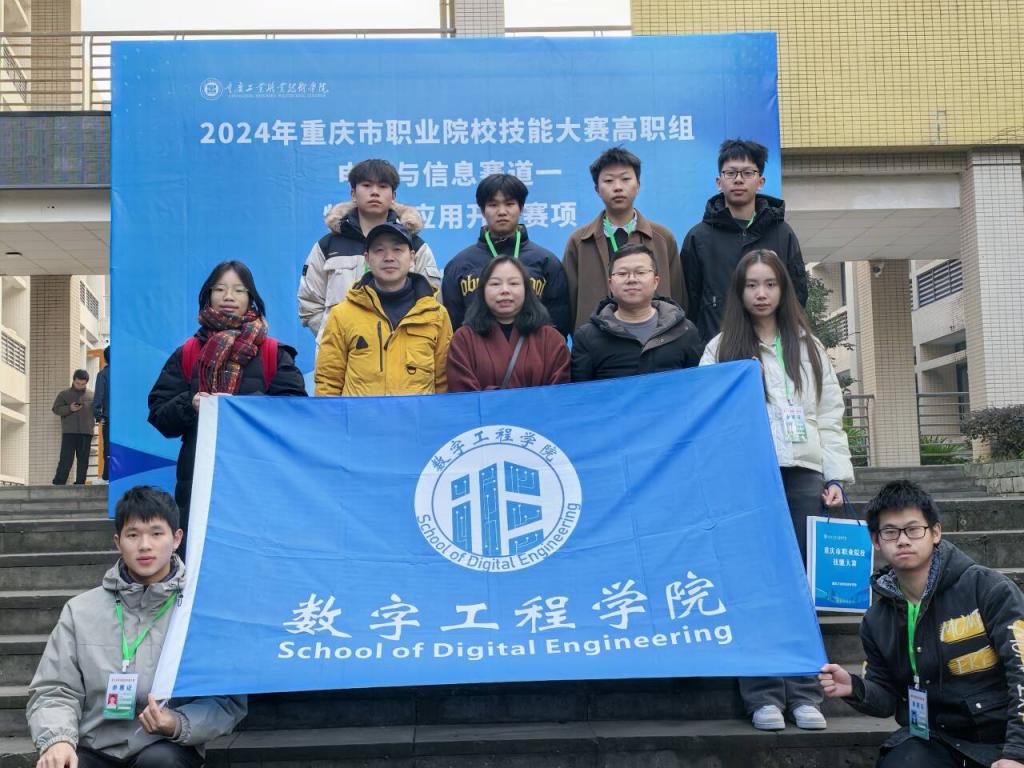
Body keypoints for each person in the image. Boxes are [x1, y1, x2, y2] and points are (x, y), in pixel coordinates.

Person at [700, 248, 852, 732]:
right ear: (739, 292)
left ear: (784, 290)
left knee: (801, 586)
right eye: (752, 285)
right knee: (753, 583)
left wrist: (834, 476)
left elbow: (829, 417)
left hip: (803, 474)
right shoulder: (721, 348)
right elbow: (707, 419)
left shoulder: (809, 346)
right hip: (746, 478)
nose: (761, 293)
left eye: (770, 284)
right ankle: (763, 695)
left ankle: (805, 693)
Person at [27, 485, 247, 768]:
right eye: (133, 535)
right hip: (94, 746)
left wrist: (177, 722)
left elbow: (225, 700)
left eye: (156, 533)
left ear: (176, 538)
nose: (144, 545)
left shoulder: (198, 611)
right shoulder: (80, 611)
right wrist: (58, 740)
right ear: (118, 541)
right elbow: (55, 689)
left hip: (166, 745)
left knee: (160, 762)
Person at [820, 481, 1024, 768]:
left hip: (1001, 739)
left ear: (935, 533)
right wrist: (854, 688)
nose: (903, 540)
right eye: (890, 532)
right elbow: (887, 699)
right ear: (876, 540)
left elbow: (1021, 671)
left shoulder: (988, 589)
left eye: (913, 529)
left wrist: (1016, 754)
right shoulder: (877, 620)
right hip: (935, 738)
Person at [148, 261, 306, 551]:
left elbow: (296, 414)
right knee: (201, 553)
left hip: (260, 476)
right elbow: (159, 414)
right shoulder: (188, 352)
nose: (228, 296)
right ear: (208, 295)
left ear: (251, 298)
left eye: (238, 290)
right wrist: (190, 404)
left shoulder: (273, 352)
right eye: (219, 289)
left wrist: (245, 408)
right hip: (200, 477)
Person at [297, 158, 441, 341]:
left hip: (402, 352)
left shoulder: (414, 246)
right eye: (366, 185)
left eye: (382, 186)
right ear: (353, 194)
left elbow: (431, 304)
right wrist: (338, 339)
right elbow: (310, 304)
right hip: (341, 353)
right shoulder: (328, 246)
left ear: (393, 196)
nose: (374, 192)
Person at [681, 139, 808, 343]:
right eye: (731, 173)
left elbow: (797, 295)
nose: (738, 180)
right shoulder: (698, 237)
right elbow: (689, 302)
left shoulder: (782, 233)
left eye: (748, 173)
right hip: (718, 350)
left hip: (771, 348)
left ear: (760, 181)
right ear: (719, 182)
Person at [315, 222, 452, 396]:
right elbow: (328, 382)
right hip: (361, 415)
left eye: (397, 249)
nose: (389, 257)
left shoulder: (436, 315)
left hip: (418, 414)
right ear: (367, 258)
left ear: (412, 258)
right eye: (379, 250)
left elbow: (444, 383)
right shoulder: (342, 315)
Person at [563, 146, 685, 334]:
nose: (618, 187)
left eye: (625, 179)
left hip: (655, 339)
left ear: (638, 185)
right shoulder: (579, 242)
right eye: (609, 181)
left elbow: (678, 297)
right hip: (597, 342)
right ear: (597, 189)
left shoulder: (662, 238)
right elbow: (568, 304)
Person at [442, 174, 571, 336]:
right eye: (493, 205)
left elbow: (558, 327)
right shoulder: (459, 265)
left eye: (510, 204)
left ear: (521, 208)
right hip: (476, 351)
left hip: (533, 350)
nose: (502, 212)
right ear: (482, 210)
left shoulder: (547, 262)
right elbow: (452, 328)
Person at [571, 243, 701, 381]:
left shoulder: (684, 330)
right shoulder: (587, 337)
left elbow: (696, 386)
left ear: (656, 281)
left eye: (640, 272)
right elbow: (580, 392)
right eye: (622, 274)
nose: (631, 279)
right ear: (610, 284)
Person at [446, 255, 570, 391]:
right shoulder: (463, 340)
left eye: (513, 283)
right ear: (482, 290)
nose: (505, 290)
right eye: (495, 284)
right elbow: (463, 395)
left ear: (526, 289)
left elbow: (559, 394)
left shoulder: (551, 339)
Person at [52, 370, 94, 486]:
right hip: (69, 432)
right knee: (66, 459)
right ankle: (59, 483)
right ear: (73, 380)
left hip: (86, 432)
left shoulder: (92, 395)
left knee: (83, 460)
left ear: (86, 383)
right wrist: (69, 408)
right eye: (78, 383)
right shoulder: (64, 394)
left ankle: (80, 483)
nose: (80, 386)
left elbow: (97, 410)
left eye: (83, 384)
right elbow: (56, 409)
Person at [93, 347, 110, 484]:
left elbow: (99, 395)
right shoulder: (126, 373)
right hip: (127, 418)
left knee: (109, 448)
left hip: (109, 418)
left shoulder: (103, 374)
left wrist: (98, 415)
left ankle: (108, 476)